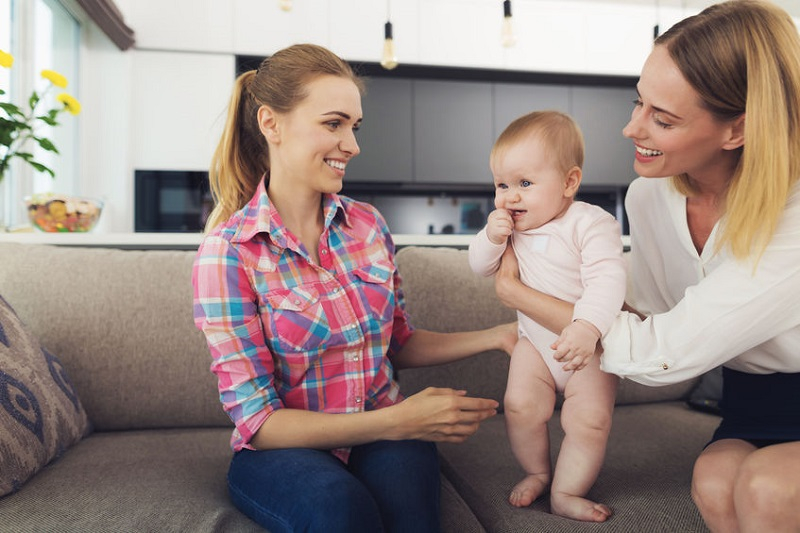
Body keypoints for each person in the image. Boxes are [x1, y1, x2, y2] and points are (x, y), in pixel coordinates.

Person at [493, 2, 800, 531]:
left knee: (767, 488)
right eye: (639, 102)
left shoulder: (792, 216)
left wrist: (520, 294)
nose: (631, 127)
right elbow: (651, 310)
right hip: (756, 402)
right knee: (715, 483)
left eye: (662, 118)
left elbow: (663, 350)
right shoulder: (649, 197)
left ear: (736, 131)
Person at [191, 43, 517, 533]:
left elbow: (397, 343)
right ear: (270, 124)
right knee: (340, 512)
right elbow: (261, 422)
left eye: (354, 127)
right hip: (284, 450)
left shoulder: (368, 226)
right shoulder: (229, 253)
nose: (353, 144)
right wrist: (399, 421)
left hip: (385, 429)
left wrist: (498, 335)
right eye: (333, 123)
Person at [468, 111, 626, 522]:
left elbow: (607, 281)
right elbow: (480, 267)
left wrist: (587, 328)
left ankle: (566, 491)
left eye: (524, 183)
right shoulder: (511, 230)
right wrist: (490, 237)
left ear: (569, 182)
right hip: (535, 346)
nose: (510, 197)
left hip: (587, 351)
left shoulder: (591, 224)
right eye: (502, 184)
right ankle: (537, 471)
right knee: (519, 405)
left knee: (589, 420)